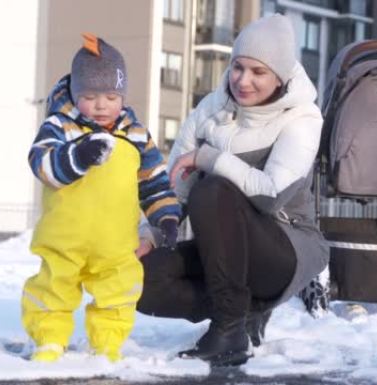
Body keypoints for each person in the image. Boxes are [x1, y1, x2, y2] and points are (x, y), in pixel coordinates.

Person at [136, 14, 329, 367]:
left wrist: (209, 157)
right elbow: (175, 187)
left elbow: (271, 195)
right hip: (223, 250)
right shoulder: (210, 108)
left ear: (280, 77)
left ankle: (229, 332)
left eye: (258, 72)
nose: (243, 80)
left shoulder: (303, 117)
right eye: (238, 67)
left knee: (213, 191)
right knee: (137, 281)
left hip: (285, 246)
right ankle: (243, 313)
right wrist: (149, 234)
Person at [22, 33, 181, 363]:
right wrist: (77, 157)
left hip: (115, 242)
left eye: (111, 95)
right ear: (75, 94)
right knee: (53, 288)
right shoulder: (61, 127)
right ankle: (49, 340)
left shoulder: (136, 135)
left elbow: (154, 182)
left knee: (119, 292)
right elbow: (42, 164)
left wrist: (165, 216)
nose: (101, 105)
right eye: (90, 96)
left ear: (122, 95)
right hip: (64, 237)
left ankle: (107, 344)